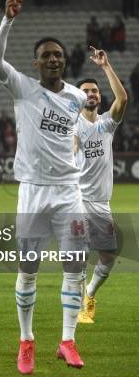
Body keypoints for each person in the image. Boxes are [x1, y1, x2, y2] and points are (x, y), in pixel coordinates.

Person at [0, 0, 89, 373]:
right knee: (28, 269)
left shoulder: (77, 97)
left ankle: (67, 341)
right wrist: (8, 19)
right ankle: (26, 341)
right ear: (35, 63)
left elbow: (72, 138)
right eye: (46, 55)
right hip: (32, 192)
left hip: (69, 192)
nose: (53, 59)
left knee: (74, 266)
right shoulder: (23, 88)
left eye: (58, 55)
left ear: (64, 61)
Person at [74, 47, 127, 324]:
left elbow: (123, 98)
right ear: (79, 96)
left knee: (109, 253)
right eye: (86, 91)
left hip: (101, 202)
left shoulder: (107, 124)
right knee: (80, 254)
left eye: (95, 91)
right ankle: (79, 311)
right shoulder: (74, 126)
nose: (92, 94)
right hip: (78, 199)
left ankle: (90, 294)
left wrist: (106, 66)